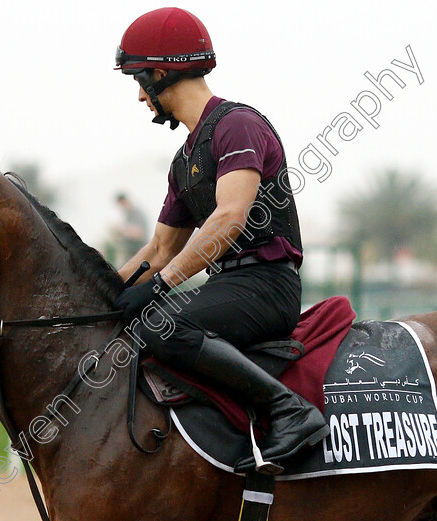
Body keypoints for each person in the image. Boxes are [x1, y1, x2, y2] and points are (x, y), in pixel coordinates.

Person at [113, 7, 328, 472]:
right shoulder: (183, 158)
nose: (138, 97)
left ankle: (290, 410)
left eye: (138, 81)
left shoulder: (238, 125)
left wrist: (163, 285)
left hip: (268, 285)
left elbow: (230, 216)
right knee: (138, 319)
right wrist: (107, 291)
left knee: (160, 325)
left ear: (159, 73)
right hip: (227, 287)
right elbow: (159, 250)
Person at [112, 193, 149, 265]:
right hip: (130, 254)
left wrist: (123, 230)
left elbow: (140, 233)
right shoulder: (127, 215)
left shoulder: (137, 213)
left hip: (139, 252)